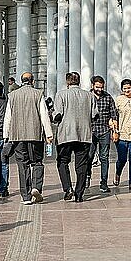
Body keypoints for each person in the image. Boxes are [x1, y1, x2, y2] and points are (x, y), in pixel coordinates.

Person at [3, 72, 53, 205]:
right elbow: (44, 115)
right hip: (35, 135)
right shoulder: (38, 94)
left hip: (17, 136)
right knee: (37, 162)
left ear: (21, 81)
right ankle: (36, 187)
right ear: (32, 81)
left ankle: (26, 196)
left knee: (22, 164)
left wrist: (6, 135)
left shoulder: (12, 95)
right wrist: (49, 134)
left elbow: (8, 117)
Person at [53, 72, 99, 202]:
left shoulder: (61, 95)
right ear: (79, 81)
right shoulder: (89, 95)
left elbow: (58, 115)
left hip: (66, 135)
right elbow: (95, 115)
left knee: (62, 161)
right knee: (82, 164)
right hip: (84, 134)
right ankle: (79, 193)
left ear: (67, 82)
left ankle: (68, 188)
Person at [87, 76, 118, 193]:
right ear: (92, 86)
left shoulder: (108, 97)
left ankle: (103, 183)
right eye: (97, 87)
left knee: (104, 157)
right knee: (89, 156)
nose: (99, 89)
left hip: (104, 130)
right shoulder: (87, 97)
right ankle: (87, 177)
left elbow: (114, 113)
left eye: (101, 87)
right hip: (90, 131)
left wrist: (115, 130)